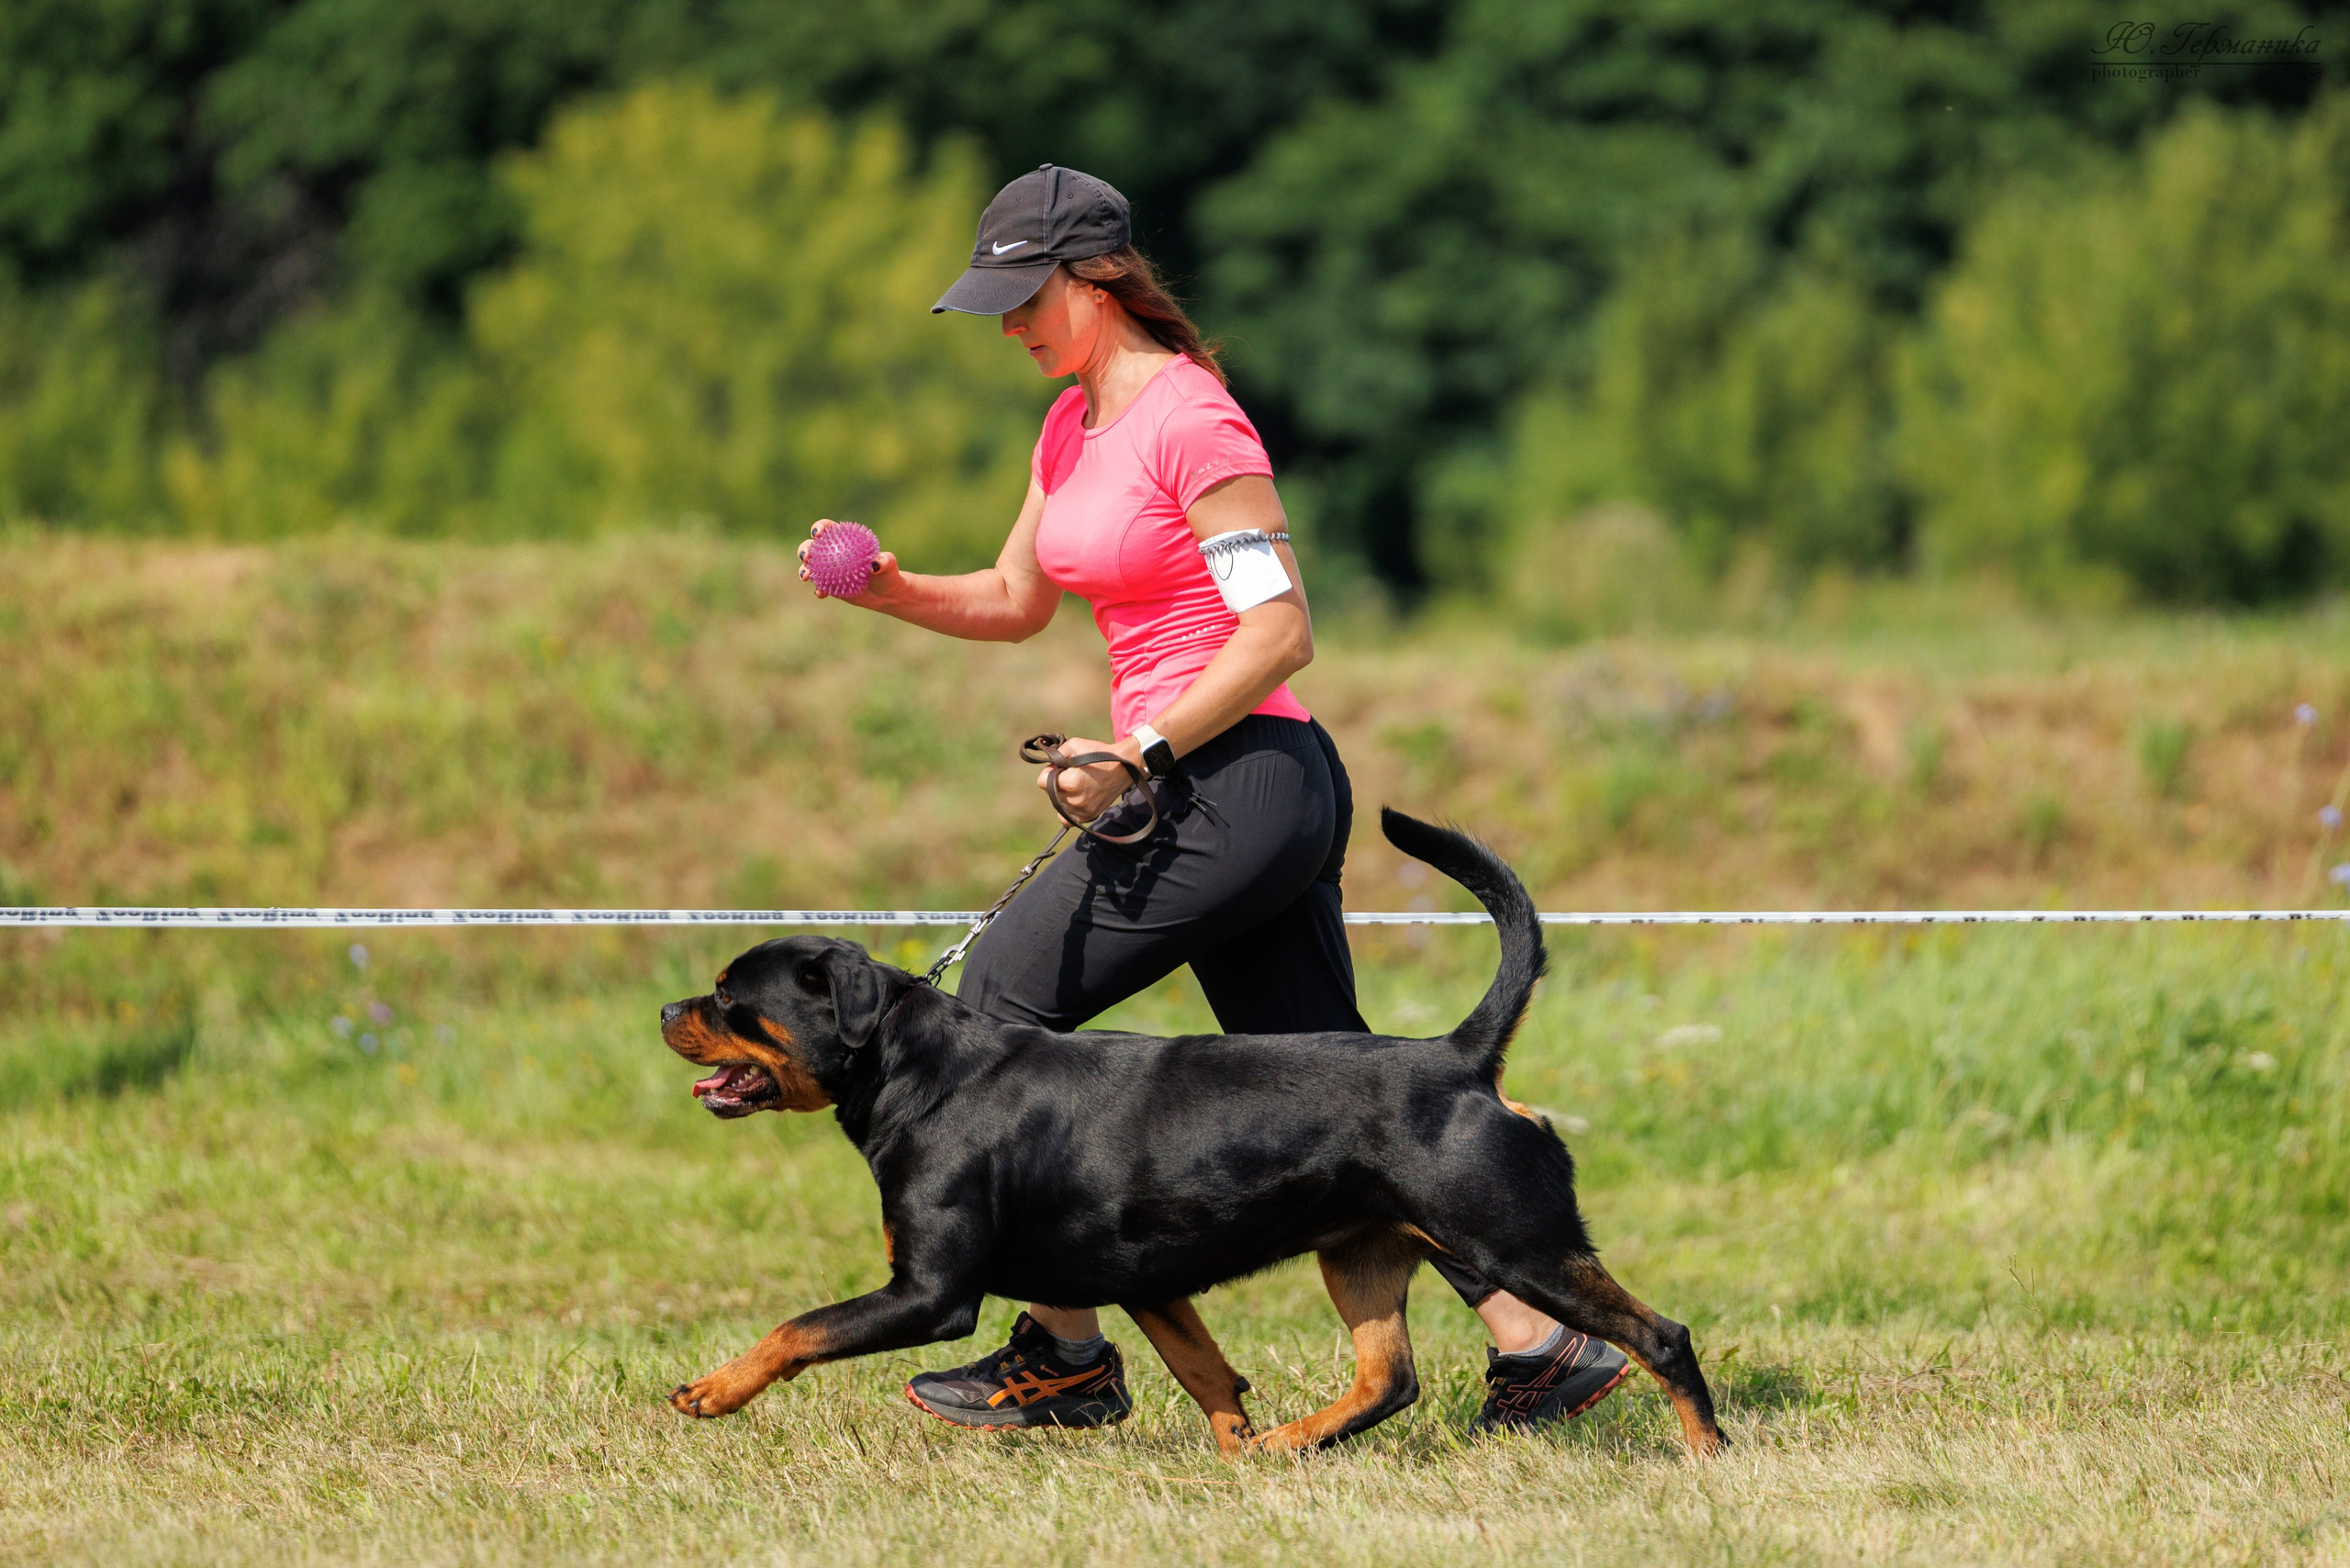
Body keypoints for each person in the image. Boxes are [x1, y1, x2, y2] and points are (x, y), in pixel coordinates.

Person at [796, 164, 1628, 1436]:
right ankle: (1541, 1343)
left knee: (1001, 1003)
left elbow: (1281, 633)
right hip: (1212, 785)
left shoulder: (1198, 421)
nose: (1009, 323)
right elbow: (1021, 601)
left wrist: (1144, 751)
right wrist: (891, 589)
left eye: (1026, 297)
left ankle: (1063, 1354)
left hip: (1239, 780)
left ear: (1098, 278)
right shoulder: (1069, 427)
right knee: (1357, 1100)